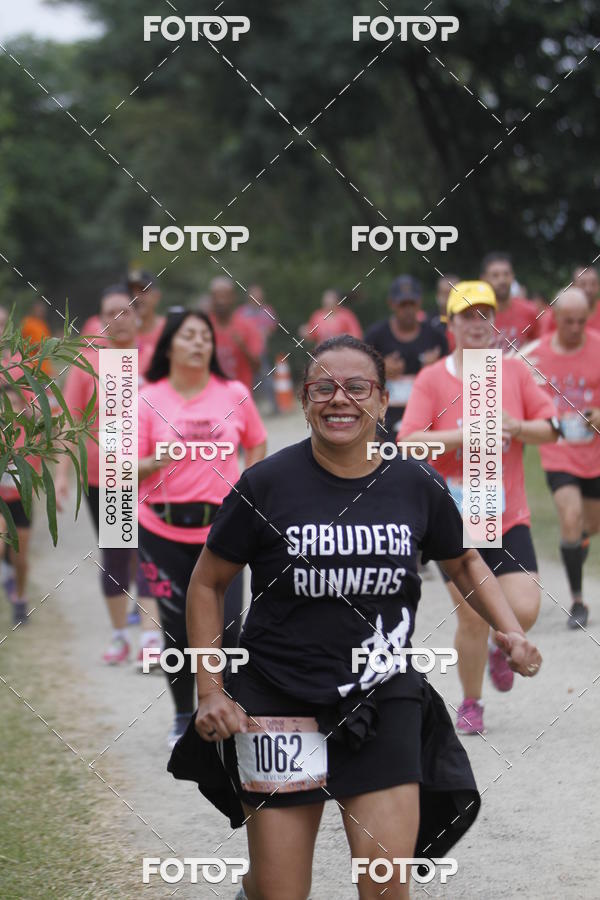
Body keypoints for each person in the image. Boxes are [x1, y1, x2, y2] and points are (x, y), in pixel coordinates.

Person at [181, 334, 541, 900]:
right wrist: (210, 689)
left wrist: (510, 630)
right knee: (281, 893)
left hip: (381, 694)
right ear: (304, 400)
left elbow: (465, 559)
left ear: (381, 402)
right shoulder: (266, 485)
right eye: (322, 387)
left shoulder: (413, 481)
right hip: (278, 701)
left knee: (383, 885)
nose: (338, 399)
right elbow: (208, 582)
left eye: (356, 387)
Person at [400, 281, 557, 736]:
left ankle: (499, 644)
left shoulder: (514, 372)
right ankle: (471, 701)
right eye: (466, 315)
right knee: (471, 613)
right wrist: (459, 437)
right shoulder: (434, 379)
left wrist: (518, 426)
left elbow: (550, 428)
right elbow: (407, 443)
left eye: (484, 314)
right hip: (455, 518)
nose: (476, 323)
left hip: (507, 515)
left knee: (524, 610)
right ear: (450, 324)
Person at [137, 310, 267, 747]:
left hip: (223, 530)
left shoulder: (232, 392)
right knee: (177, 629)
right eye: (188, 336)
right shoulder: (145, 397)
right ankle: (181, 715)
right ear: (169, 345)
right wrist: (153, 463)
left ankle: (221, 710)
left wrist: (254, 486)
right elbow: (119, 466)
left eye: (205, 337)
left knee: (228, 627)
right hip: (163, 529)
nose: (199, 343)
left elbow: (256, 441)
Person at [56, 286, 161, 664]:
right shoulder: (89, 363)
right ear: (100, 320)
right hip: (107, 474)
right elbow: (70, 421)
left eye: (124, 311)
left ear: (136, 315)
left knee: (149, 550)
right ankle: (120, 637)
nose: (118, 319)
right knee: (117, 551)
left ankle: (151, 636)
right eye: (109, 313)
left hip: (151, 472)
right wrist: (62, 475)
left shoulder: (154, 359)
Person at [522, 288, 600, 629]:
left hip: (594, 452)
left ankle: (575, 544)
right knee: (570, 516)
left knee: (590, 526)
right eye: (568, 321)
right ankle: (578, 601)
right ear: (554, 317)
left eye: (581, 321)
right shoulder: (534, 354)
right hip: (558, 453)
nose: (575, 328)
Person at [364, 276, 447, 436]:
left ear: (419, 303)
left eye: (412, 303)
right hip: (384, 420)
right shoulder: (376, 336)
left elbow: (451, 372)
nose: (408, 309)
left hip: (426, 417)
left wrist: (435, 369)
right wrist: (380, 369)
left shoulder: (436, 336)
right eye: (403, 304)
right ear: (392, 304)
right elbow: (359, 375)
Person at [0, 383, 38, 624]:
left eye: (15, 405)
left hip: (21, 501)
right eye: (5, 406)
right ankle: (6, 574)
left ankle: (20, 599)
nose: (9, 410)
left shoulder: (29, 434)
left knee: (20, 559)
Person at [209, 277, 264, 389]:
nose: (221, 301)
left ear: (233, 298)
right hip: (211, 397)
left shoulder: (247, 327)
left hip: (240, 397)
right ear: (212, 299)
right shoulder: (203, 326)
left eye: (225, 296)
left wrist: (243, 348)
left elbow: (257, 367)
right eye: (217, 296)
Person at [480, 252, 540, 350]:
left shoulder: (529, 311)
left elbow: (539, 351)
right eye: (495, 275)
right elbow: (465, 359)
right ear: (483, 279)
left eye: (506, 274)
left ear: (513, 276)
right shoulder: (474, 315)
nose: (502, 280)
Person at [238, 284, 279, 413]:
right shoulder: (241, 313)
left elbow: (271, 328)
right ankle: (246, 410)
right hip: (245, 354)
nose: (257, 296)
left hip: (261, 352)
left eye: (259, 294)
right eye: (254, 294)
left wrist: (261, 334)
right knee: (246, 382)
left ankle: (275, 407)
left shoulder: (267, 310)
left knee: (266, 378)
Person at [127, 269, 167, 377]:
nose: (135, 297)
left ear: (157, 296)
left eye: (142, 291)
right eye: (130, 292)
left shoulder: (170, 331)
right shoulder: (114, 333)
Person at [539, 266, 600, 336]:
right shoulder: (554, 315)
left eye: (593, 284)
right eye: (583, 284)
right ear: (573, 286)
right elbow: (543, 342)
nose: (588, 289)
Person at [428, 274, 460, 350]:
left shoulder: (471, 322)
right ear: (438, 295)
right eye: (445, 293)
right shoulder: (427, 321)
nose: (449, 298)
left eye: (454, 294)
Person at [21, 300, 53, 375]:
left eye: (43, 310)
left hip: (45, 368)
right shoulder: (27, 323)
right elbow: (31, 345)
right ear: (33, 309)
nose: (41, 312)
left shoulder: (42, 324)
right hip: (32, 366)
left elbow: (48, 341)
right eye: (39, 310)